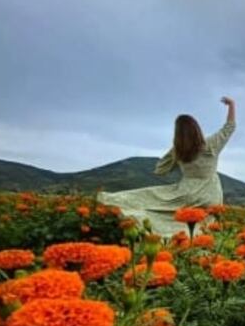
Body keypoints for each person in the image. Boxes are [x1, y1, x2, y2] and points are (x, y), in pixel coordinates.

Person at [97, 97, 236, 236]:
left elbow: (161, 169)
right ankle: (198, 241)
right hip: (210, 193)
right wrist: (231, 105)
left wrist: (175, 164)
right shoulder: (211, 144)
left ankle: (150, 227)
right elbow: (229, 127)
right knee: (207, 221)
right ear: (197, 129)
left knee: (154, 203)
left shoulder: (177, 150)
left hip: (185, 192)